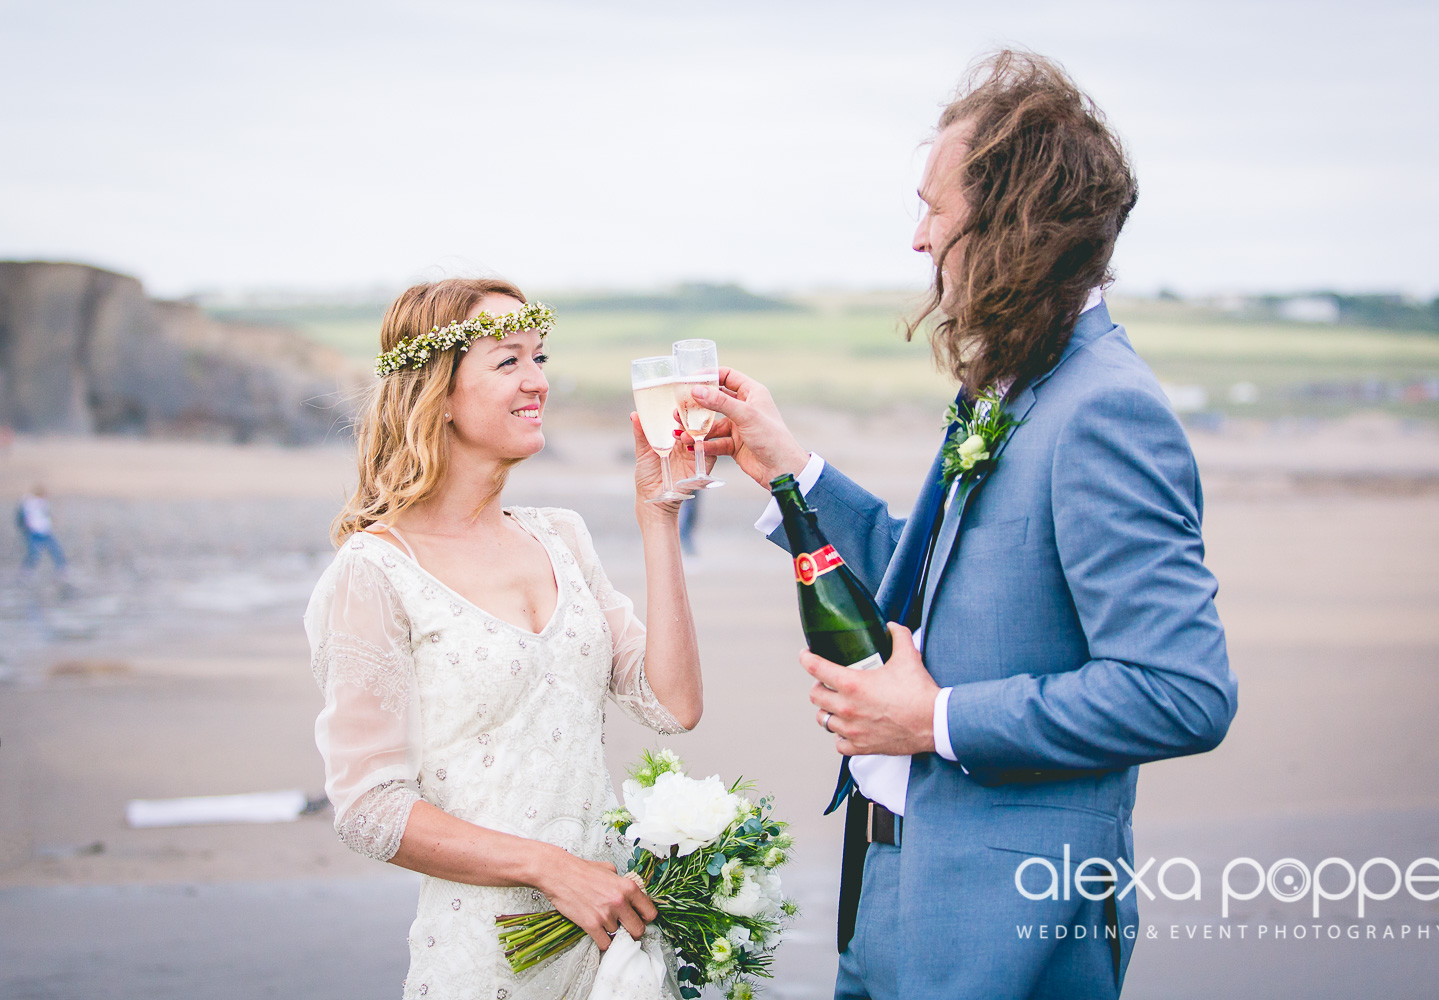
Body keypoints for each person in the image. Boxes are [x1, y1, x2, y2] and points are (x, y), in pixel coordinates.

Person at [695, 51, 1237, 999]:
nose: (917, 239)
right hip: (889, 887)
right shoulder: (1017, 383)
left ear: (1013, 223)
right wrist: (790, 469)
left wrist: (931, 719)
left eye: (934, 210)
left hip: (1007, 926)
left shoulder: (1106, 411)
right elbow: (940, 579)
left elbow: (1181, 691)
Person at [304, 277, 704, 999]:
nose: (538, 382)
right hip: (486, 963)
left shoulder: (562, 538)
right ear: (439, 393)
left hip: (614, 952)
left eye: (540, 358)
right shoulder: (376, 572)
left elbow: (672, 704)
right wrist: (549, 868)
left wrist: (659, 516)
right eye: (508, 360)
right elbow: (369, 808)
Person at [18, 485, 67, 574]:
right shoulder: (29, 503)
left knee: (55, 550)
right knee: (34, 553)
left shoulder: (41, 503)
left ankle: (62, 568)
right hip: (35, 531)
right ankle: (27, 570)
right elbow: (22, 518)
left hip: (45, 531)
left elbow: (47, 514)